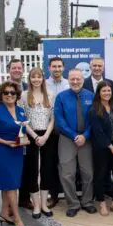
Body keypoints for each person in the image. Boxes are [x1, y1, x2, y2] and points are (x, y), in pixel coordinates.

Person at [0, 81, 29, 226]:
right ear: (1, 95)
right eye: (6, 93)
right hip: (2, 151)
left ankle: (4, 213)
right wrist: (6, 142)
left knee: (9, 184)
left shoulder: (21, 111)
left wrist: (25, 140)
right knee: (11, 185)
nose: (9, 95)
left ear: (17, 95)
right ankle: (17, 217)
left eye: (12, 93)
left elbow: (22, 130)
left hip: (16, 152)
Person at [54, 68, 96, 217]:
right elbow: (59, 120)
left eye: (78, 79)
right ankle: (72, 204)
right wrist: (73, 136)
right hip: (67, 139)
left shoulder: (91, 96)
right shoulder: (61, 97)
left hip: (86, 139)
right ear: (68, 79)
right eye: (72, 79)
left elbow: (94, 120)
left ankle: (87, 202)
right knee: (67, 174)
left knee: (88, 173)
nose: (75, 81)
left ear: (83, 79)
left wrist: (85, 135)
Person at [20, 67, 55, 219]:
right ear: (30, 79)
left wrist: (46, 135)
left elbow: (53, 118)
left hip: (47, 135)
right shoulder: (23, 96)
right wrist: (35, 137)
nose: (36, 80)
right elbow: (22, 120)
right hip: (31, 136)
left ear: (43, 78)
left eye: (39, 77)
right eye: (33, 77)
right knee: (32, 170)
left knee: (47, 170)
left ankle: (44, 204)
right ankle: (35, 205)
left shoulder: (50, 95)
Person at [89, 81, 113, 216]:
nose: (107, 93)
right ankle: (102, 203)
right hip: (102, 148)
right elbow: (98, 132)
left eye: (109, 91)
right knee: (100, 175)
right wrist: (110, 146)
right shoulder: (94, 109)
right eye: (104, 91)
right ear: (99, 93)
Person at [44, 57, 69, 209]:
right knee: (51, 163)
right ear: (49, 68)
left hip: (66, 128)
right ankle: (53, 195)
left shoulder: (68, 83)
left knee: (67, 162)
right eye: (54, 66)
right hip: (49, 129)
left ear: (63, 68)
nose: (57, 69)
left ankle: (68, 193)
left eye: (59, 66)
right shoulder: (43, 84)